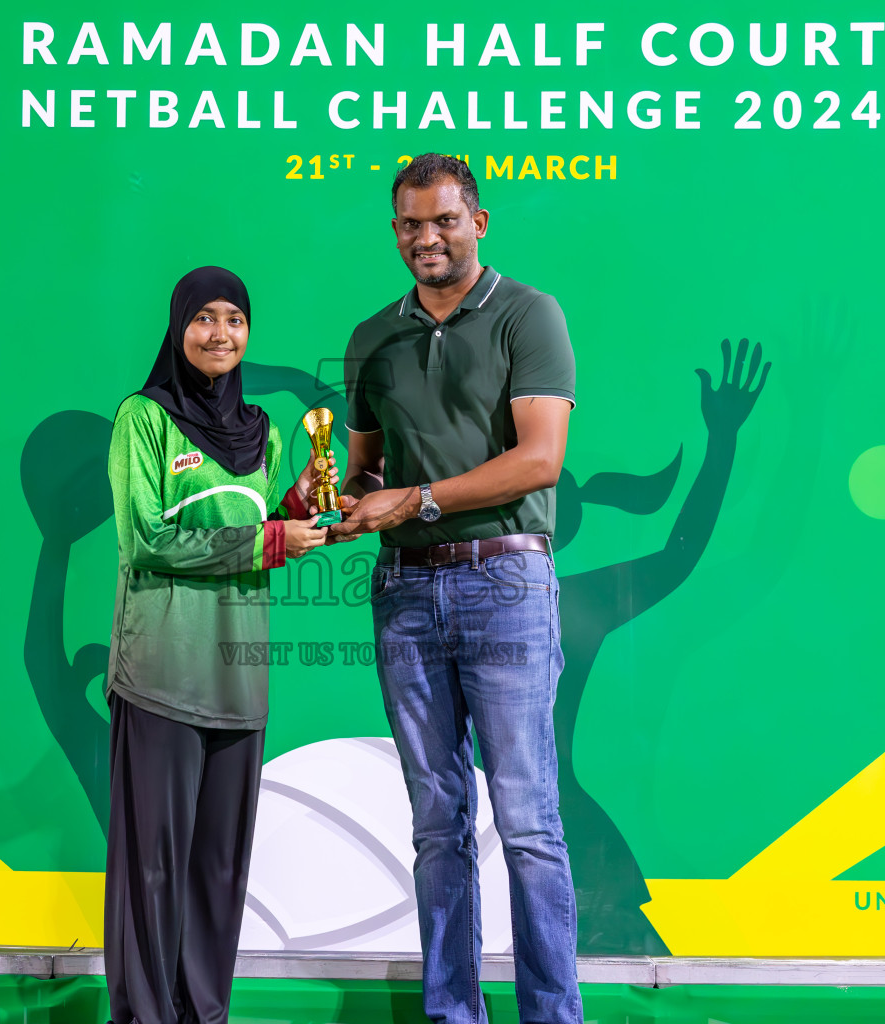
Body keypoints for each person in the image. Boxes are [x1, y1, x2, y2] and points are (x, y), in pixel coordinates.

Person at [329, 155, 581, 1024]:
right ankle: (452, 1014)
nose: (425, 238)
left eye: (442, 221)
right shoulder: (373, 336)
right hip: (404, 591)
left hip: (505, 578)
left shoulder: (527, 314)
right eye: (408, 223)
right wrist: (336, 499)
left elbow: (540, 459)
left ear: (479, 222)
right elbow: (362, 473)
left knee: (528, 824)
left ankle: (552, 1014)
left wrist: (420, 498)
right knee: (437, 825)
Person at [104, 266, 331, 1024]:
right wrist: (268, 539)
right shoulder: (143, 418)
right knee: (152, 867)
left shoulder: (262, 430)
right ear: (177, 328)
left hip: (239, 681)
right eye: (204, 318)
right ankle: (143, 1016)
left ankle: (204, 1013)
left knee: (219, 869)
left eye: (235, 318)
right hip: (162, 672)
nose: (220, 333)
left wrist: (310, 501)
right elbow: (146, 539)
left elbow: (264, 518)